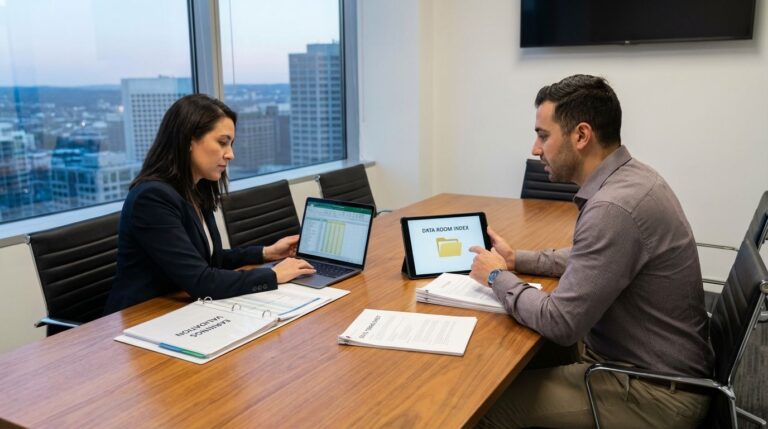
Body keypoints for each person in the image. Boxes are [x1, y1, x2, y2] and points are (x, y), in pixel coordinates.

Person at [469, 75, 714, 428]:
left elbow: (561, 323)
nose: (536, 149)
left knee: (484, 406)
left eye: (543, 135)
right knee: (507, 358)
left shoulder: (614, 208)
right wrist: (516, 260)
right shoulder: (634, 179)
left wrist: (496, 276)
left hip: (654, 395)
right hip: (654, 363)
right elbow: (590, 259)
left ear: (581, 136)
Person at [104, 94, 315, 314]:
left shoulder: (197, 188)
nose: (230, 154)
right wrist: (273, 275)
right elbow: (201, 282)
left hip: (180, 308)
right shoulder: (152, 198)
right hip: (141, 317)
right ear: (188, 141)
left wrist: (266, 253)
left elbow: (208, 259)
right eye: (222, 142)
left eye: (231, 144)